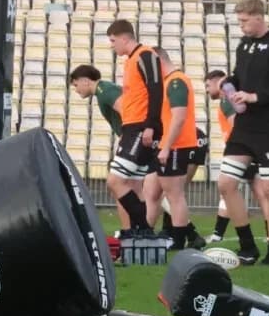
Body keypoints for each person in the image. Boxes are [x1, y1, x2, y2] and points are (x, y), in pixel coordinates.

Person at [219, 0, 269, 265]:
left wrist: (254, 97)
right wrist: (228, 84)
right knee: (226, 183)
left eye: (244, 21)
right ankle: (247, 246)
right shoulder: (244, 44)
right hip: (245, 126)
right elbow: (238, 75)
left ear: (258, 17)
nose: (241, 26)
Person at [147, 47, 206, 250]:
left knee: (174, 195)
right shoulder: (171, 81)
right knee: (154, 192)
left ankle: (180, 240)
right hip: (170, 144)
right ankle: (147, 234)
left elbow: (179, 117)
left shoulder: (175, 81)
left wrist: (166, 146)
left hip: (175, 145)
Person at [105, 20, 161, 235]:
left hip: (141, 127)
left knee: (115, 180)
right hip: (132, 127)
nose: (112, 46)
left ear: (124, 38)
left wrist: (151, 126)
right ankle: (139, 233)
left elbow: (156, 90)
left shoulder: (145, 55)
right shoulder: (130, 61)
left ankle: (144, 229)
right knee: (135, 185)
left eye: (113, 41)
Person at [70, 63, 130, 231]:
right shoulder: (103, 91)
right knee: (129, 187)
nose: (76, 90)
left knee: (117, 184)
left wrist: (128, 138)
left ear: (85, 81)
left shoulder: (105, 91)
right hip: (131, 140)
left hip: (131, 141)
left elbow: (127, 111)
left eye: (76, 85)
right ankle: (133, 228)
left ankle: (130, 230)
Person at [203, 70, 237, 243]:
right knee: (227, 191)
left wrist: (234, 147)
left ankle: (218, 235)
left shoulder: (226, 100)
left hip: (236, 151)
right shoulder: (227, 100)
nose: (207, 90)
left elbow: (234, 123)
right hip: (237, 149)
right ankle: (217, 234)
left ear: (217, 82)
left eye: (208, 85)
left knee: (226, 190)